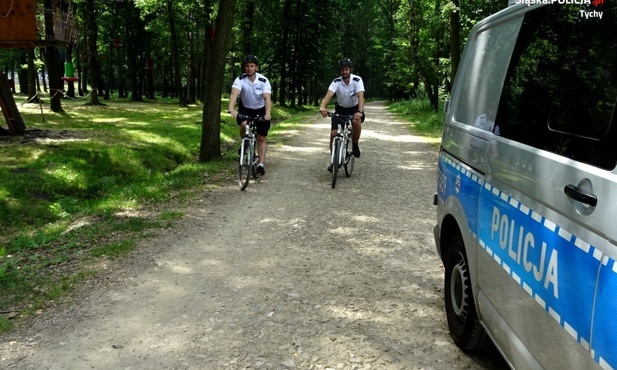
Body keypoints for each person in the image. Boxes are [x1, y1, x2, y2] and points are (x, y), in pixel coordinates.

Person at [228, 55, 272, 176]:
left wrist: (268, 114)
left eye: (252, 66)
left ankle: (261, 165)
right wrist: (231, 109)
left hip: (261, 109)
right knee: (243, 125)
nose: (249, 68)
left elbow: (267, 98)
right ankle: (245, 143)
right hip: (246, 109)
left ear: (256, 67)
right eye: (247, 66)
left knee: (261, 137)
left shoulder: (263, 80)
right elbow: (234, 94)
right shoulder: (240, 79)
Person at [319, 58, 365, 172]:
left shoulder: (357, 80)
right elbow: (328, 95)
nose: (344, 72)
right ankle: (333, 160)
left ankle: (355, 145)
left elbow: (360, 97)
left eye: (346, 69)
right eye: (342, 70)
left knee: (356, 121)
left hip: (354, 108)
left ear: (350, 70)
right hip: (340, 109)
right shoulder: (336, 82)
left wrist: (359, 112)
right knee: (333, 134)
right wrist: (323, 107)